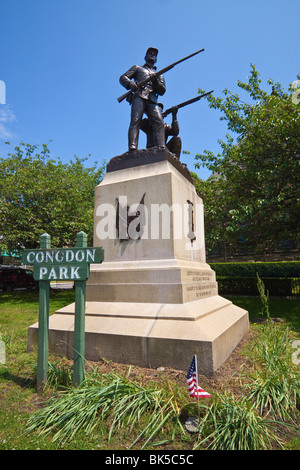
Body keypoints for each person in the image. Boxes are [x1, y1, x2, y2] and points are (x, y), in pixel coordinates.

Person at [119, 47, 166, 151]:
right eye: (150, 53)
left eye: (155, 54)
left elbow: (162, 90)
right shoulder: (137, 68)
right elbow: (123, 78)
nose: (152, 55)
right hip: (139, 96)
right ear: (145, 56)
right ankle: (132, 146)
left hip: (152, 99)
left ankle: (161, 147)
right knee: (135, 120)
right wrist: (130, 84)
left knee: (159, 122)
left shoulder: (160, 74)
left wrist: (156, 82)